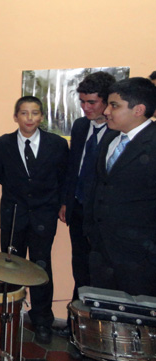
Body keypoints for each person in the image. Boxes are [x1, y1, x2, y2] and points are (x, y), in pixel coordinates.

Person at [0, 96, 69, 344]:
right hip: (13, 215)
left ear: (42, 117)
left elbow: (62, 177)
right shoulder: (1, 144)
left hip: (44, 216)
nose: (29, 118)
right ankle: (9, 316)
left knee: (41, 268)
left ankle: (42, 320)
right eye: (24, 113)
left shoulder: (56, 144)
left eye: (35, 113)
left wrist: (49, 203)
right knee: (10, 267)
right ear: (16, 116)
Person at [56, 72, 116, 337]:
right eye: (82, 101)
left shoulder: (118, 131)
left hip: (105, 216)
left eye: (92, 102)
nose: (86, 107)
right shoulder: (80, 126)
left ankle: (99, 332)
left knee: (102, 272)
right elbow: (73, 168)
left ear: (107, 101)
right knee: (79, 267)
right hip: (78, 209)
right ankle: (75, 326)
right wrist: (66, 201)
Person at [84, 77, 156, 297]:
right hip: (102, 250)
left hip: (140, 256)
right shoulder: (111, 139)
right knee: (106, 317)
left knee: (137, 322)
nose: (106, 111)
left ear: (138, 110)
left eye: (114, 105)